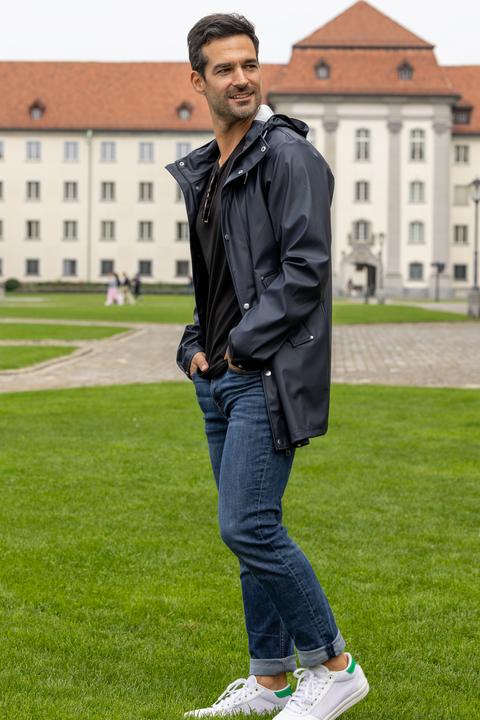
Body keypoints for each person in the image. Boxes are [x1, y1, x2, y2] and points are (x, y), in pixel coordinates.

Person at [166, 14, 369, 719]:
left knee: (248, 525)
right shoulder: (208, 170)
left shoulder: (287, 156)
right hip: (219, 379)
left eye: (249, 64)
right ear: (198, 81)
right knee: (249, 531)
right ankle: (271, 678)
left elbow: (306, 270)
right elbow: (218, 281)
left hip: (265, 374)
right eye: (224, 68)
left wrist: (239, 347)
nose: (241, 78)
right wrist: (195, 345)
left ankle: (335, 666)